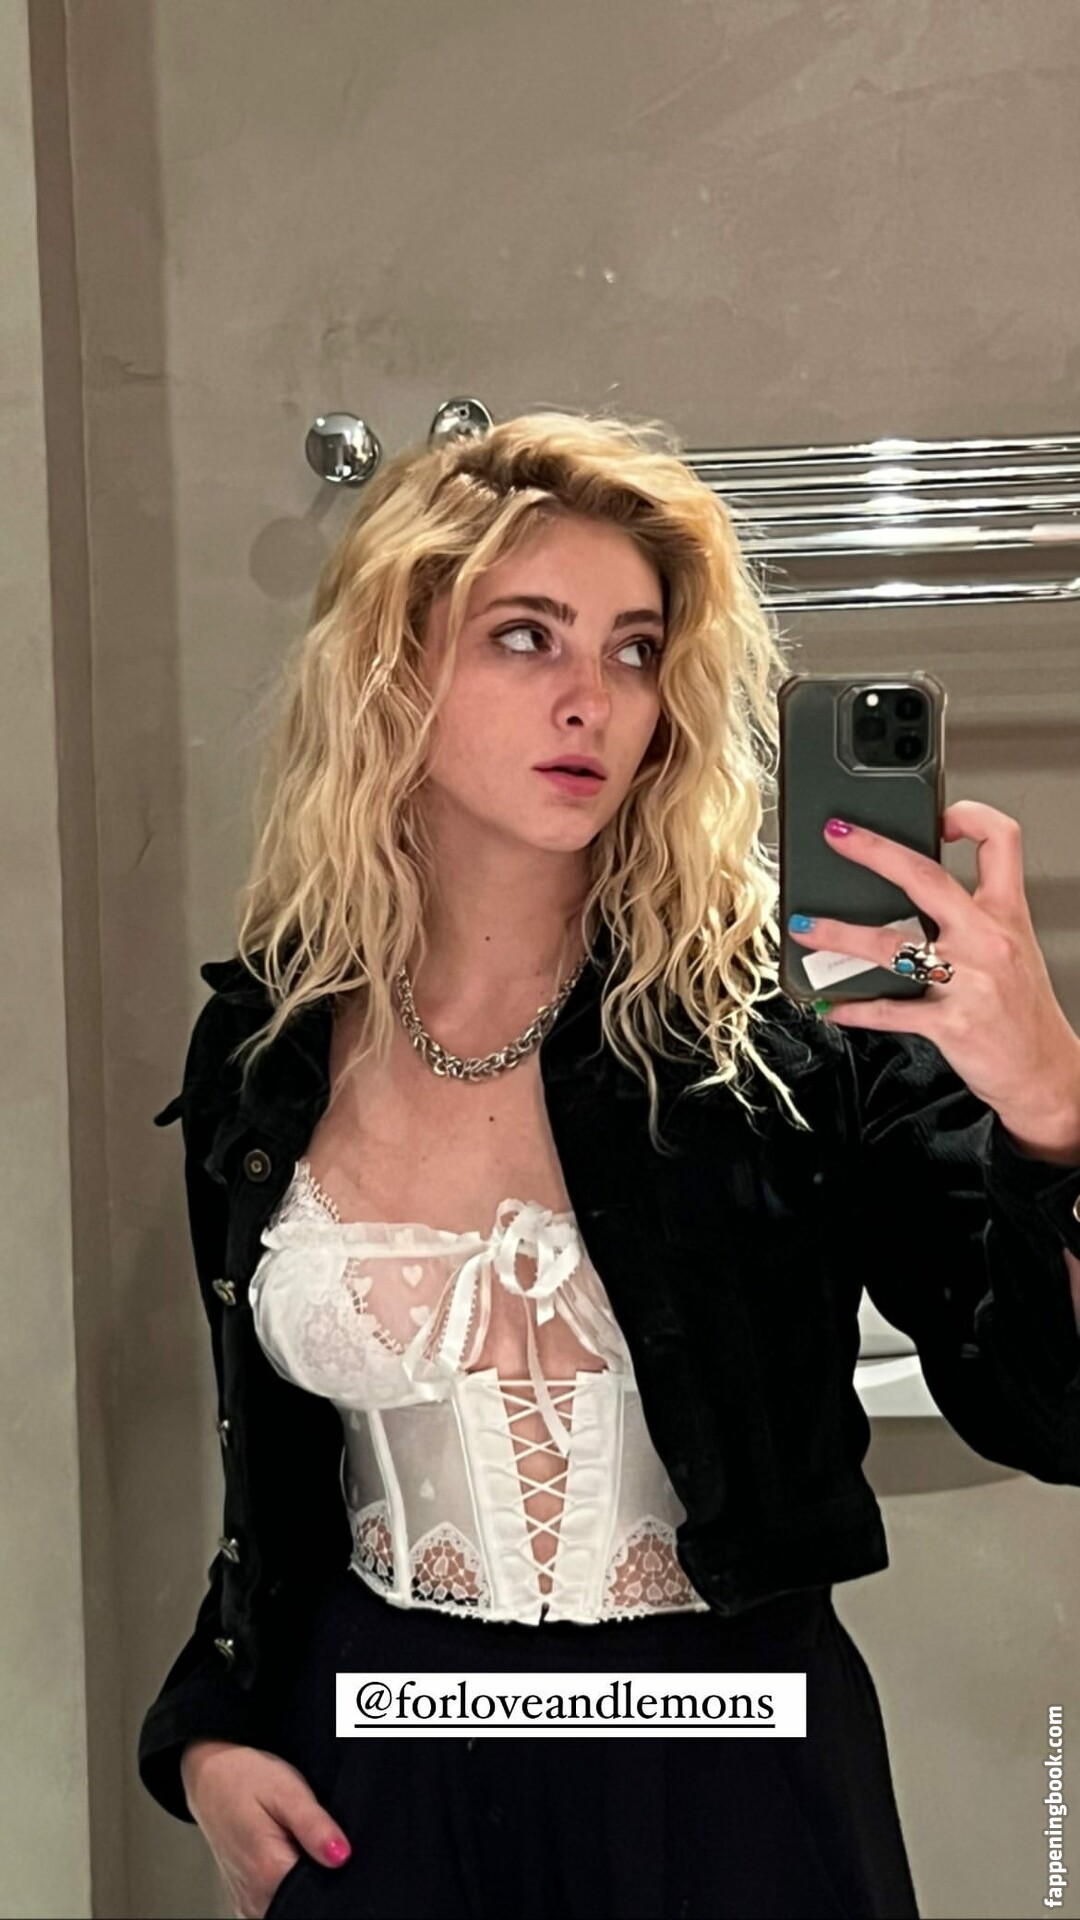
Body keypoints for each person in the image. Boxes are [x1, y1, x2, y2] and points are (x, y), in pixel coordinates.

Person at [139, 410, 1080, 1920]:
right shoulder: (270, 1041)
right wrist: (212, 1725)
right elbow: (272, 1468)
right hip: (382, 1759)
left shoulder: (788, 1028)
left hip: (731, 1769)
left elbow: (1051, 1406)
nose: (592, 697)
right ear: (392, 669)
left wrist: (1054, 1108)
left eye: (635, 652)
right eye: (526, 637)